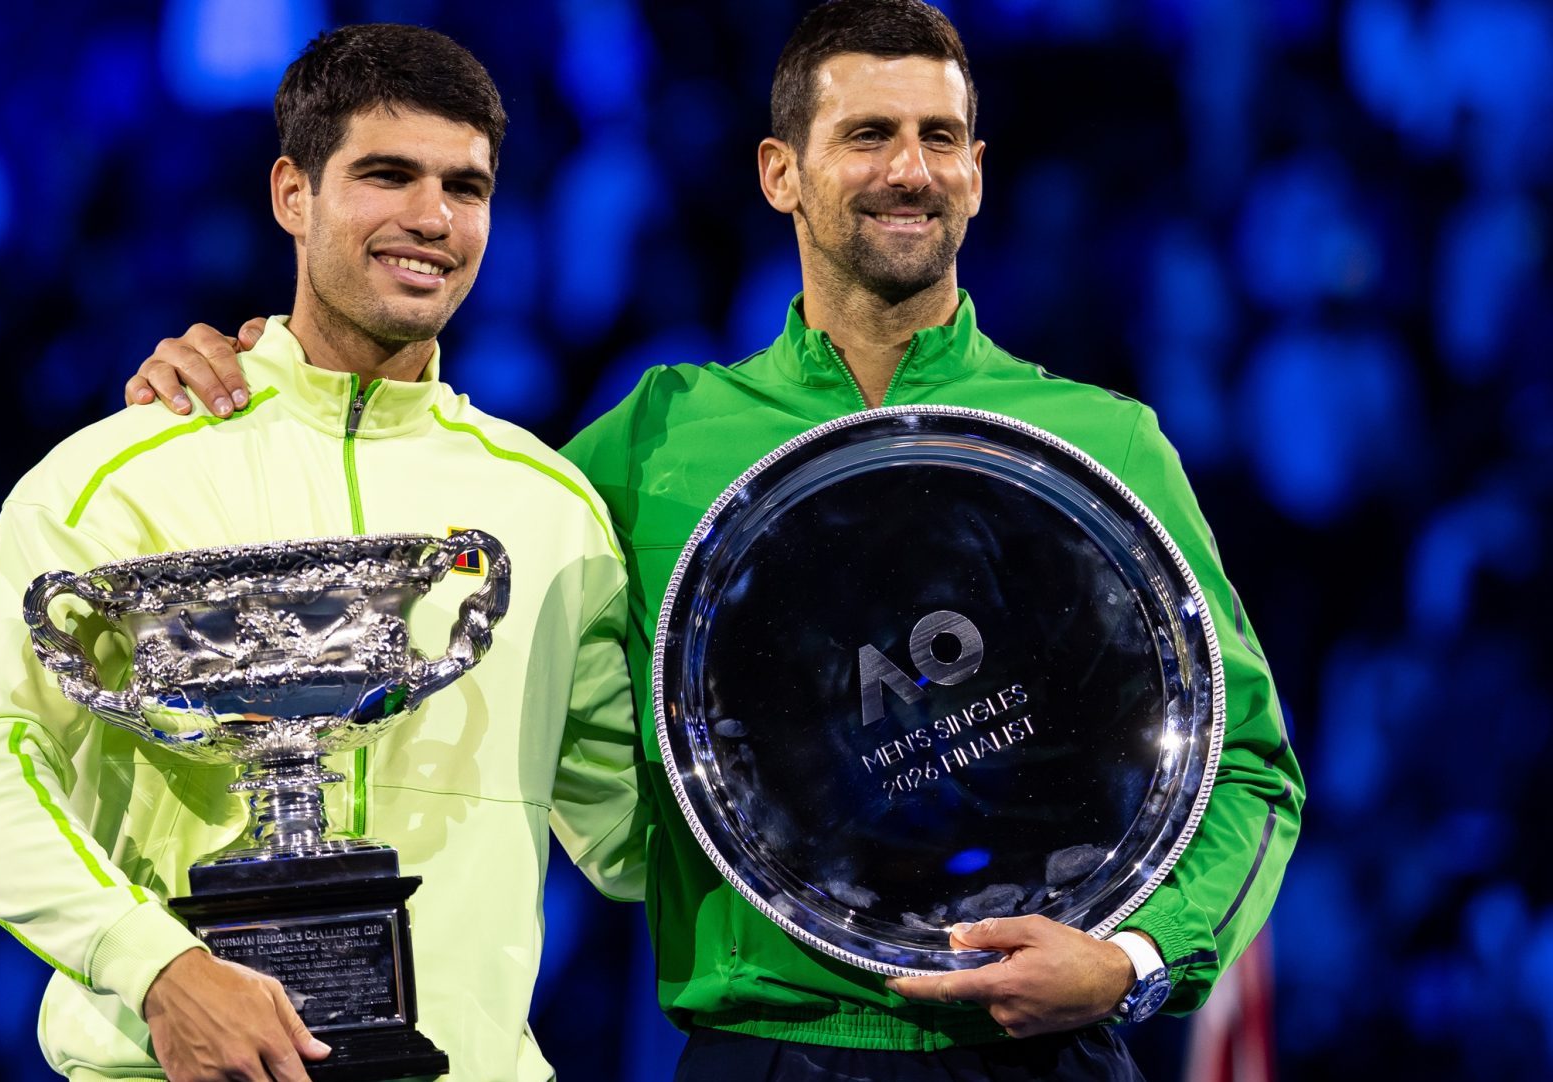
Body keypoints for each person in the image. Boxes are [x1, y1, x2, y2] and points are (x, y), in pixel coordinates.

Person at [124, 3, 1304, 1079]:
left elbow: (1245, 767)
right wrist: (264, 389)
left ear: (981, 175)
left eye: (943, 138)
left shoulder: (1101, 444)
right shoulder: (659, 442)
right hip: (768, 1050)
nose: (911, 169)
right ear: (779, 171)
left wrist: (1138, 958)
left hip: (1051, 1049)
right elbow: (395, 573)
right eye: (869, 134)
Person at [0, 24, 645, 1082]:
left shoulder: (547, 505)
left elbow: (633, 835)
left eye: (466, 186)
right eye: (386, 174)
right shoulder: (119, 477)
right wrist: (157, 965)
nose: (432, 218)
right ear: (291, 194)